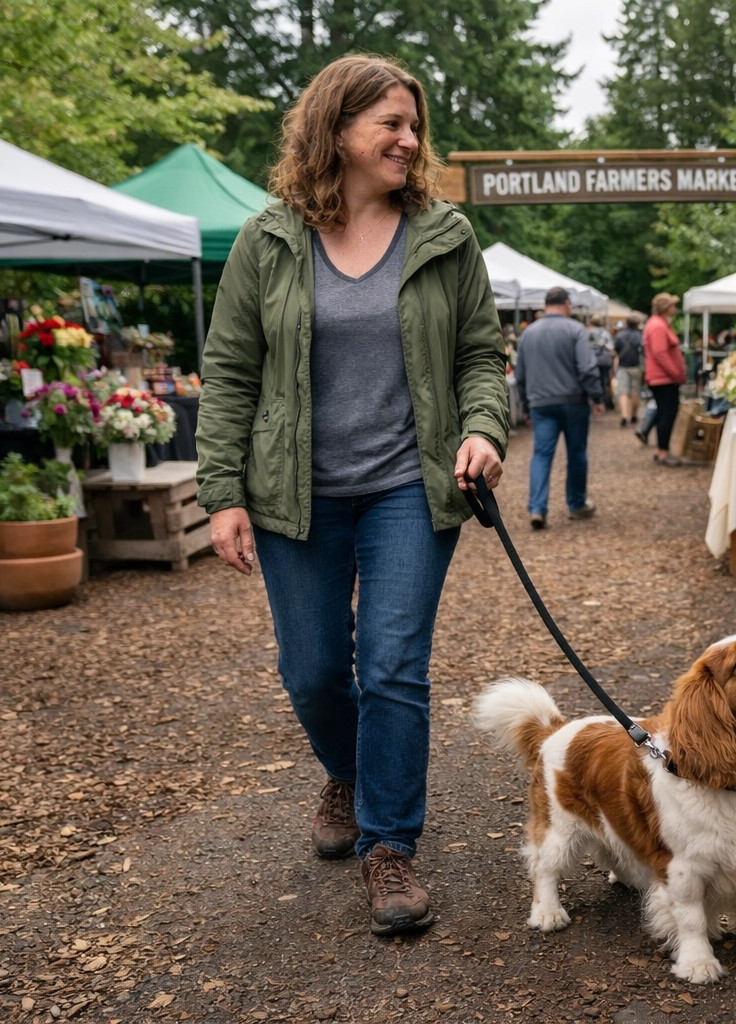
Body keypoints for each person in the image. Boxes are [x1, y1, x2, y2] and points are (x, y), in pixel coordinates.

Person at [196, 54, 509, 935]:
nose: (410, 141)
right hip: (297, 493)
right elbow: (228, 374)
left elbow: (481, 356)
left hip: (411, 487)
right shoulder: (269, 239)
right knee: (314, 668)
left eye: (415, 126)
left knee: (395, 665)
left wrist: (482, 428)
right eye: (392, 125)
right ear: (335, 129)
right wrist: (223, 491)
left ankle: (389, 846)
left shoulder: (445, 236)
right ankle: (346, 772)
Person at [516, 286, 604, 529]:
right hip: (573, 402)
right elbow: (587, 369)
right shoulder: (575, 329)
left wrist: (525, 405)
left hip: (540, 404)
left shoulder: (528, 333)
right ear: (567, 304)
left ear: (545, 305)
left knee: (542, 455)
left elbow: (520, 374)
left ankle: (537, 507)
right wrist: (597, 398)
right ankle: (576, 505)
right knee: (576, 454)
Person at [641, 292, 687, 465]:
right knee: (667, 414)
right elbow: (660, 354)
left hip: (664, 378)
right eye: (673, 305)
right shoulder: (658, 326)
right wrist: (676, 373)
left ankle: (663, 450)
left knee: (664, 413)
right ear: (666, 308)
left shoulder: (658, 324)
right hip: (664, 378)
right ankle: (663, 452)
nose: (675, 308)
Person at [613, 312, 645, 426]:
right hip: (636, 366)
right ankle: (633, 415)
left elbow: (615, 350)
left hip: (623, 366)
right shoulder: (641, 335)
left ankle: (624, 415)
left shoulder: (620, 335)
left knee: (623, 392)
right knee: (635, 392)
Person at [587, 315, 615, 410]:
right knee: (604, 380)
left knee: (592, 380)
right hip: (605, 360)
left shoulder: (589, 332)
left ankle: (595, 401)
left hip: (592, 360)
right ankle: (602, 401)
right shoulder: (606, 333)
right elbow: (611, 346)